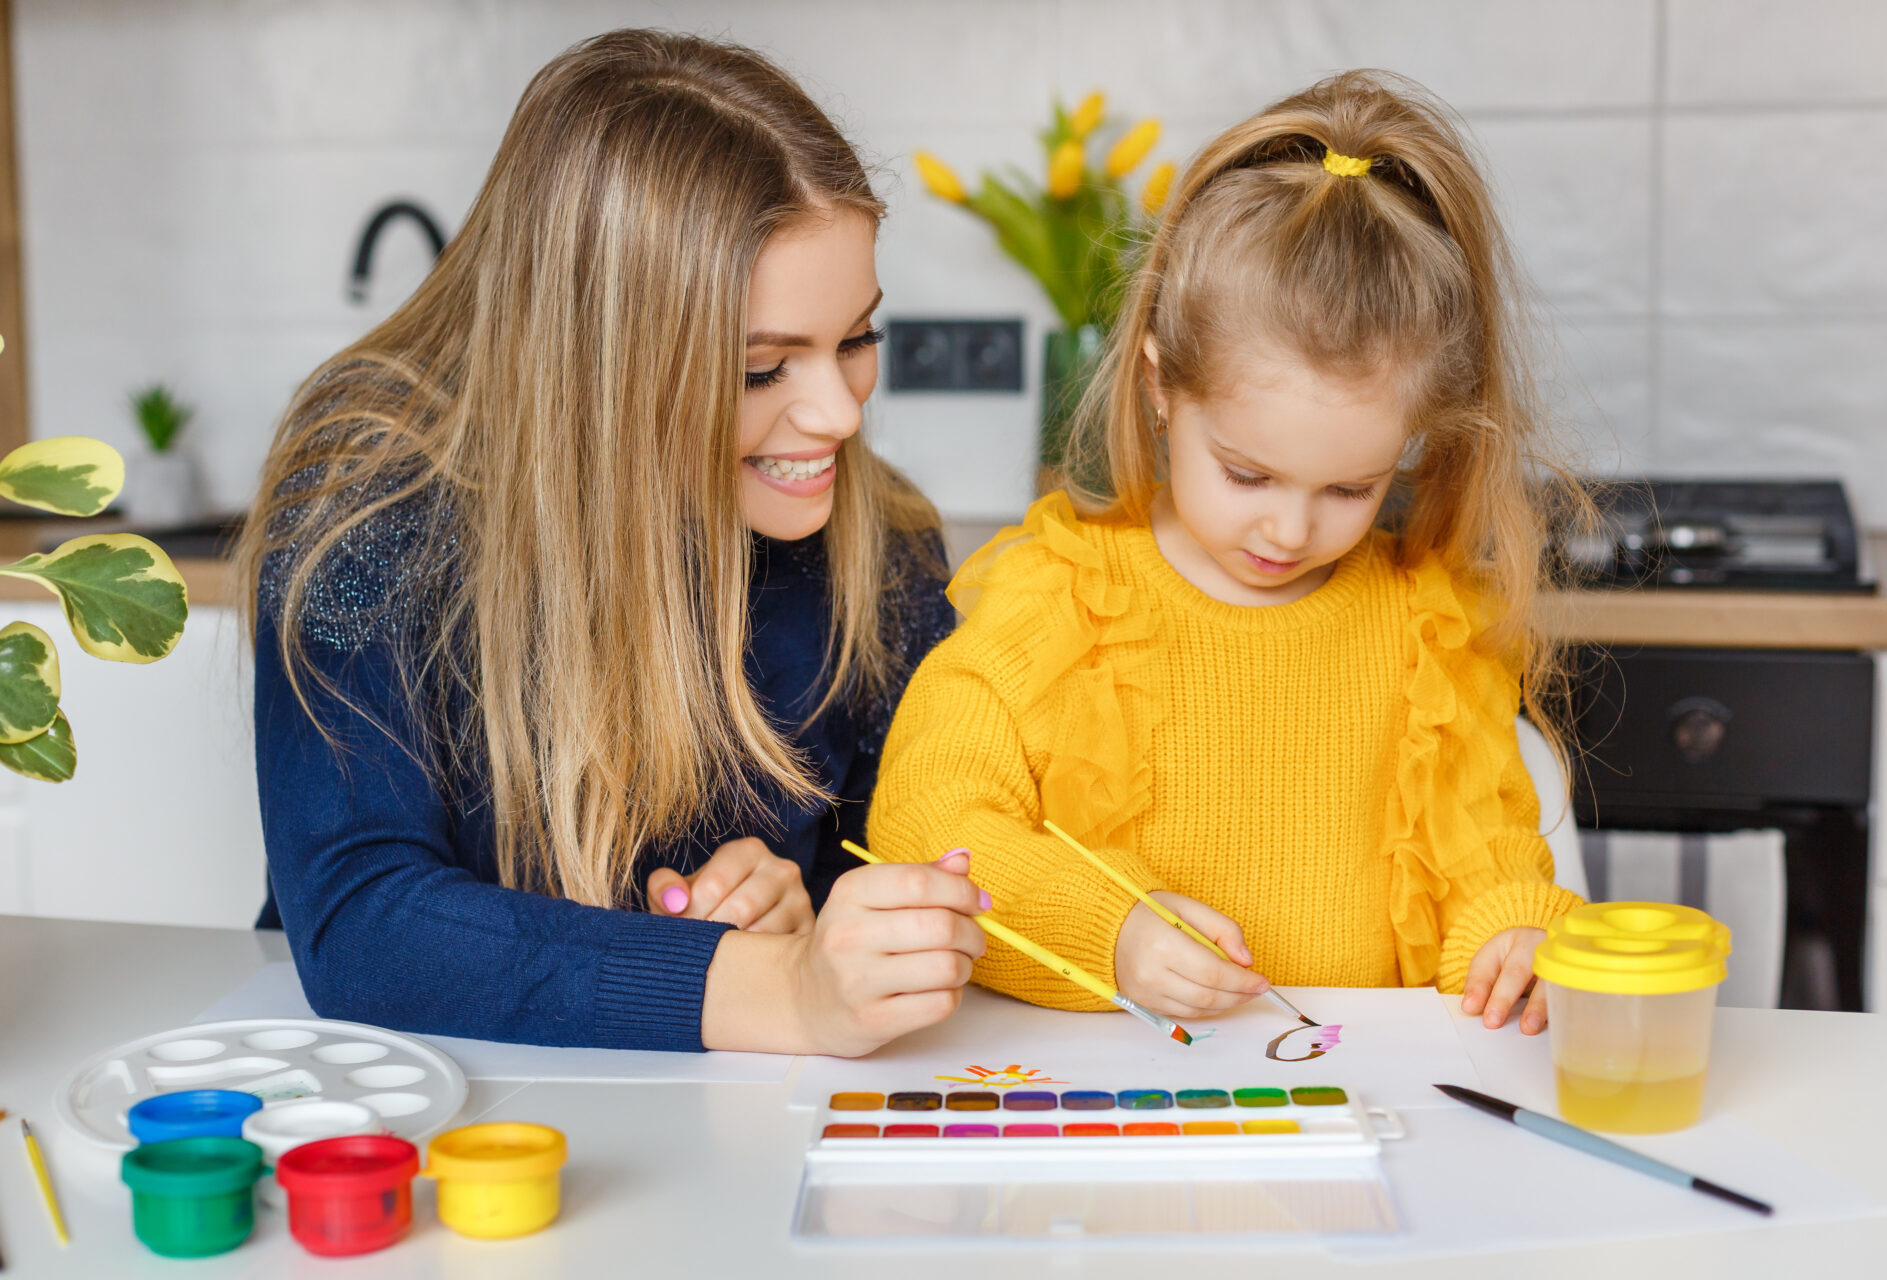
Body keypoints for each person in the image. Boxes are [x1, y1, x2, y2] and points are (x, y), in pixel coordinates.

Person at [238, 30, 987, 1056]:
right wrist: (765, 986)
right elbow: (362, 917)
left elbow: (891, 852)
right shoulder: (369, 507)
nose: (841, 416)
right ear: (602, 369)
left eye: (857, 338)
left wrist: (811, 907)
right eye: (762, 369)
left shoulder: (881, 542)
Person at [870, 70, 1589, 1036]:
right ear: (1161, 387)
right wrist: (1110, 934)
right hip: (1108, 1107)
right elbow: (929, 825)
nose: (1291, 533)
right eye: (1248, 475)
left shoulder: (1420, 623)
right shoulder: (1060, 597)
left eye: (1350, 490)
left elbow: (1485, 862)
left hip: (1345, 1107)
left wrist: (1517, 941)